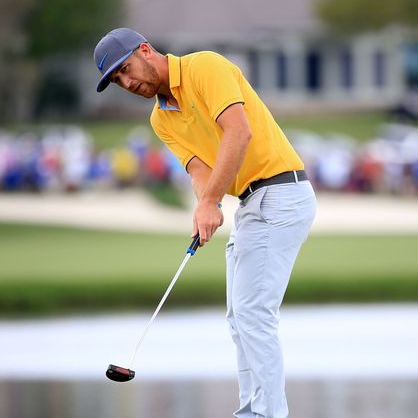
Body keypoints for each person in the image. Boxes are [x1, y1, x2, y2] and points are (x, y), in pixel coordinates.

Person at [93, 28, 316, 418]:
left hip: (281, 192)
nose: (128, 83)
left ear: (146, 51)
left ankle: (268, 414)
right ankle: (252, 411)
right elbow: (199, 169)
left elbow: (239, 132)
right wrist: (203, 206)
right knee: (239, 318)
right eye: (118, 80)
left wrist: (213, 200)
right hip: (252, 204)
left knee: (253, 315)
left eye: (127, 69)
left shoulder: (204, 67)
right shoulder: (161, 119)